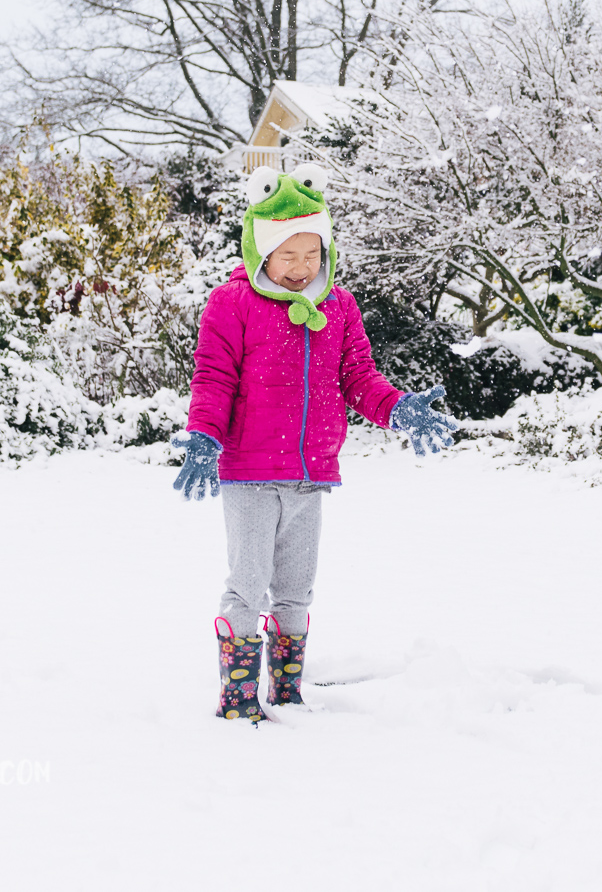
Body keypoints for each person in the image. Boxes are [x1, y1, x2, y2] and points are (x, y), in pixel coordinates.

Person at [169, 162, 455, 725]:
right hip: (250, 472)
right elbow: (213, 379)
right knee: (248, 586)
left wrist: (398, 408)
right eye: (288, 255)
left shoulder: (339, 308)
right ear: (261, 252)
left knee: (296, 591)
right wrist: (203, 438)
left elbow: (359, 379)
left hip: (311, 474)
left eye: (312, 255)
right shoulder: (233, 304)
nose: (302, 268)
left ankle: (288, 693)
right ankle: (238, 698)